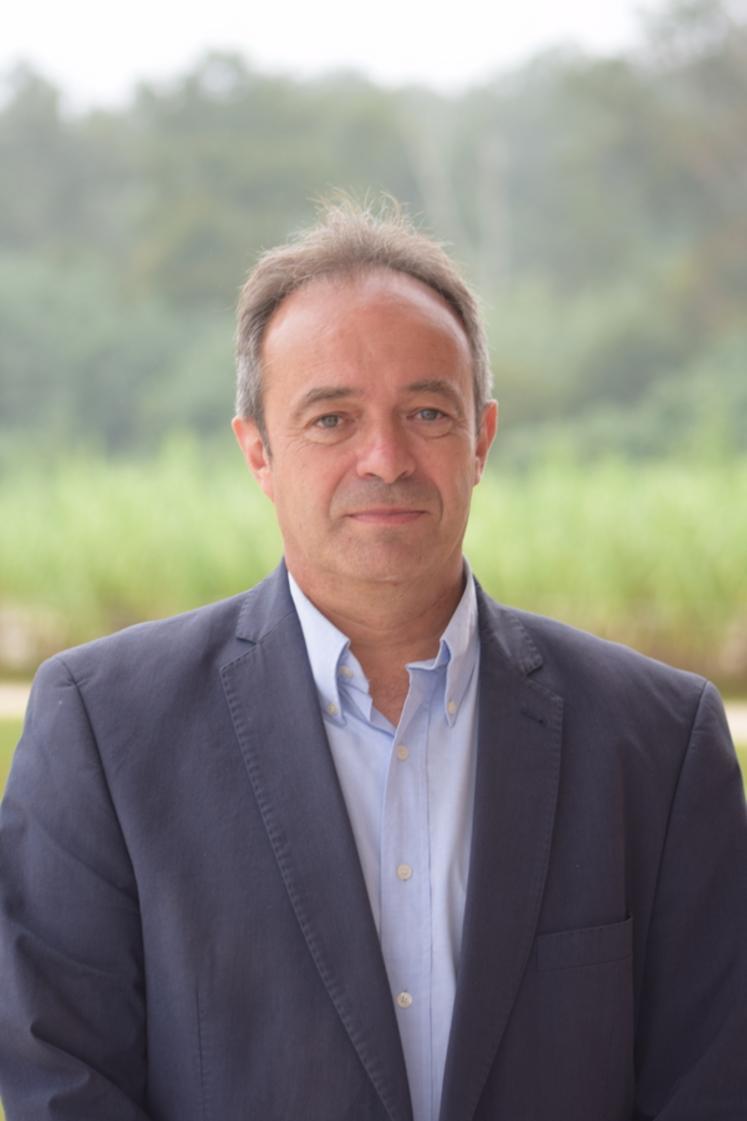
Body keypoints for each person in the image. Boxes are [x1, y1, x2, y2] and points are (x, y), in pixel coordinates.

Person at [0, 200, 745, 1121]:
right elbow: (63, 1086)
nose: (385, 458)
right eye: (331, 418)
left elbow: (714, 1086)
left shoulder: (658, 743)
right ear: (258, 451)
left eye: (426, 412)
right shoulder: (104, 729)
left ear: (481, 439)